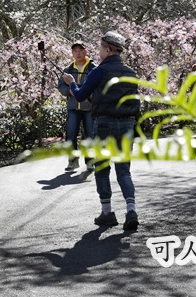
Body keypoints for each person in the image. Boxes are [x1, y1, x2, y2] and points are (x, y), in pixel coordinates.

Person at [62, 31, 141, 230]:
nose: (98, 52)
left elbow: (80, 96)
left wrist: (72, 83)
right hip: (127, 124)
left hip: (104, 124)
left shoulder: (99, 71)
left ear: (108, 50)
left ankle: (107, 212)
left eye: (100, 48)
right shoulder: (131, 73)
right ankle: (131, 210)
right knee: (123, 171)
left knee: (103, 169)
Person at [57, 41, 95, 172]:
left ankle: (90, 161)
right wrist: (69, 91)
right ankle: (72, 162)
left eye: (80, 50)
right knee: (71, 133)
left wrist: (88, 93)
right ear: (72, 53)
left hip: (89, 107)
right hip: (73, 107)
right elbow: (61, 86)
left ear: (85, 52)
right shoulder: (68, 70)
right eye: (75, 51)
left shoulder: (93, 68)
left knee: (90, 134)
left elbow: (98, 86)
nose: (78, 53)